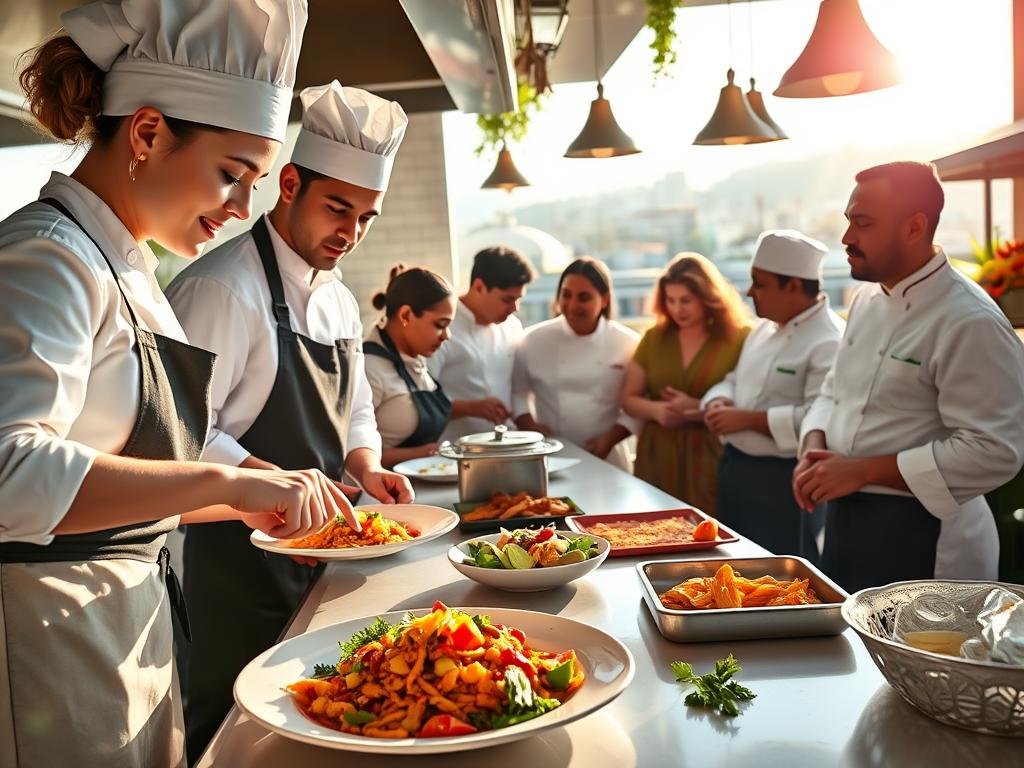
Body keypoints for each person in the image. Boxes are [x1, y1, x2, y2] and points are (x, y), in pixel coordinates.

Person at [0, 2, 353, 766]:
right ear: (149, 132)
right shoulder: (46, 258)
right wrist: (224, 477)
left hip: (133, 632)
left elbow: (138, 493)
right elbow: (10, 474)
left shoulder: (132, 271)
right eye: (232, 175)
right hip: (50, 643)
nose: (242, 209)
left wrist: (262, 496)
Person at [164, 80, 414, 758]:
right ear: (291, 184)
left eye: (366, 217)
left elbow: (355, 407)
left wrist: (367, 465)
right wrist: (257, 476)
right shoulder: (219, 288)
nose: (351, 233)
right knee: (241, 732)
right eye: (339, 208)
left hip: (323, 553)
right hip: (238, 567)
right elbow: (176, 438)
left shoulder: (335, 298)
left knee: (324, 722)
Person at [794, 161, 1024, 592]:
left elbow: (995, 451)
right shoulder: (864, 300)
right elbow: (833, 392)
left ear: (914, 228)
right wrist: (813, 445)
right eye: (848, 222)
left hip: (926, 534)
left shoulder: (969, 320)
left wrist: (862, 471)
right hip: (846, 519)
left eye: (861, 224)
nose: (846, 238)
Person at [702, 231, 844, 561]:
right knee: (731, 567)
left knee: (782, 578)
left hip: (784, 481)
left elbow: (822, 418)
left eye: (759, 283)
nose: (749, 292)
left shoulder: (829, 340)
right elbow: (733, 379)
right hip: (736, 470)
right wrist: (718, 400)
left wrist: (747, 419)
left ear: (793, 286)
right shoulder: (763, 328)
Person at [621, 253, 750, 513]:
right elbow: (627, 398)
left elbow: (748, 400)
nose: (678, 309)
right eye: (670, 300)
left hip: (712, 454)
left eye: (686, 301)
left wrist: (698, 407)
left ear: (708, 297)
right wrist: (657, 411)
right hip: (658, 454)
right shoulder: (654, 338)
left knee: (711, 531)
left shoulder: (738, 339)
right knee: (654, 527)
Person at [512, 257, 640, 470]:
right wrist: (532, 429)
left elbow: (637, 404)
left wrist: (608, 440)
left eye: (584, 297)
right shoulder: (534, 339)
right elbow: (518, 393)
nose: (572, 305)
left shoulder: (627, 342)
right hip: (549, 455)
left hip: (608, 455)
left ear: (605, 299)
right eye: (566, 295)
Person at [428, 246, 537, 441]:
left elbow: (519, 389)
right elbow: (421, 402)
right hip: (451, 452)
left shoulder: (512, 326)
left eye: (518, 299)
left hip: (506, 446)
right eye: (507, 299)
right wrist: (470, 408)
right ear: (479, 287)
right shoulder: (442, 325)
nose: (515, 308)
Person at [364, 265, 456, 468]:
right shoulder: (368, 368)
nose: (446, 336)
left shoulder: (417, 359)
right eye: (440, 325)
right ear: (405, 315)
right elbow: (348, 452)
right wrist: (424, 452)